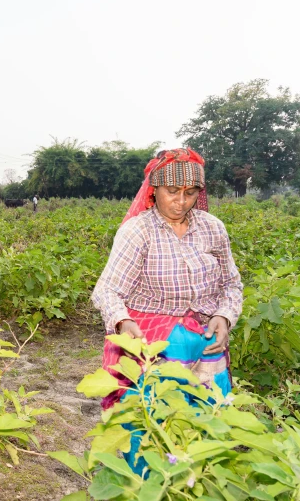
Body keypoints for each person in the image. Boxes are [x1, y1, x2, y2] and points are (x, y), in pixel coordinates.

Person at [91, 148, 243, 472]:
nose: (181, 201)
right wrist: (123, 321)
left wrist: (224, 316)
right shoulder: (138, 232)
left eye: (190, 193)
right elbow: (107, 290)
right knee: (153, 427)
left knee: (208, 423)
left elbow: (232, 284)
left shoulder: (213, 228)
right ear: (154, 190)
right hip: (156, 345)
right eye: (172, 191)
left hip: (208, 343)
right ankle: (147, 484)